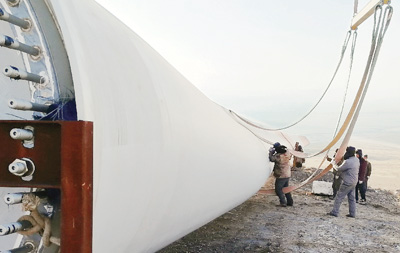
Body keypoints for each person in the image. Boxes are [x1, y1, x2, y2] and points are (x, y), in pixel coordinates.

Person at [328, 146, 359, 218]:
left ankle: (334, 212)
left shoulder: (348, 162)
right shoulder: (356, 160)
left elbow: (339, 169)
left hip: (347, 182)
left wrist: (333, 163)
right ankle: (352, 213)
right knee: (351, 198)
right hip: (354, 181)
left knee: (339, 196)